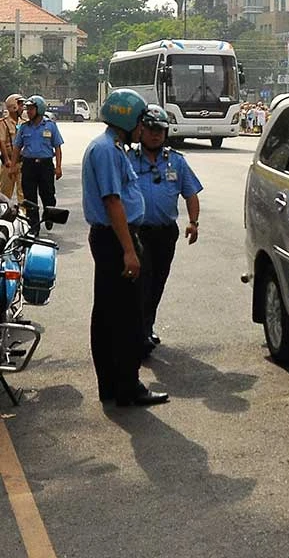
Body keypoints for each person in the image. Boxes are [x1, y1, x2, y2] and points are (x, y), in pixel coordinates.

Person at [81, 89, 169, 407]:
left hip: (113, 238)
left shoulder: (112, 147)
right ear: (128, 118)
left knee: (109, 313)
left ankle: (113, 386)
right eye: (141, 122)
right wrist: (129, 250)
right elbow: (113, 202)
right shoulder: (107, 150)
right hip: (116, 239)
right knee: (127, 316)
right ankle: (128, 387)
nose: (143, 129)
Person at [131, 104, 202, 354]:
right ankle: (139, 333)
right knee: (143, 281)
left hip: (165, 232)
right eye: (151, 129)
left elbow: (190, 194)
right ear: (141, 130)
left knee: (157, 281)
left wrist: (193, 222)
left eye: (160, 130)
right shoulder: (128, 159)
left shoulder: (176, 161)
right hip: (138, 233)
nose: (155, 134)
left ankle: (147, 326)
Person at [12, 96, 63, 224]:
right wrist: (13, 166)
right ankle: (33, 224)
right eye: (27, 109)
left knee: (48, 194)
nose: (28, 112)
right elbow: (17, 148)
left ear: (39, 109)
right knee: (29, 196)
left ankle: (48, 217)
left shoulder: (50, 126)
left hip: (45, 165)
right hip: (29, 165)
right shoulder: (24, 127)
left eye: (31, 109)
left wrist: (58, 167)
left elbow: (57, 148)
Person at [0, 94, 25, 203]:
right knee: (5, 193)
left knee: (23, 193)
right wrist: (7, 160)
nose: (22, 108)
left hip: (22, 161)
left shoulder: (23, 122)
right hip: (9, 162)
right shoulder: (4, 123)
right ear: (14, 106)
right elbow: (1, 141)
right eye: (20, 105)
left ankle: (23, 212)